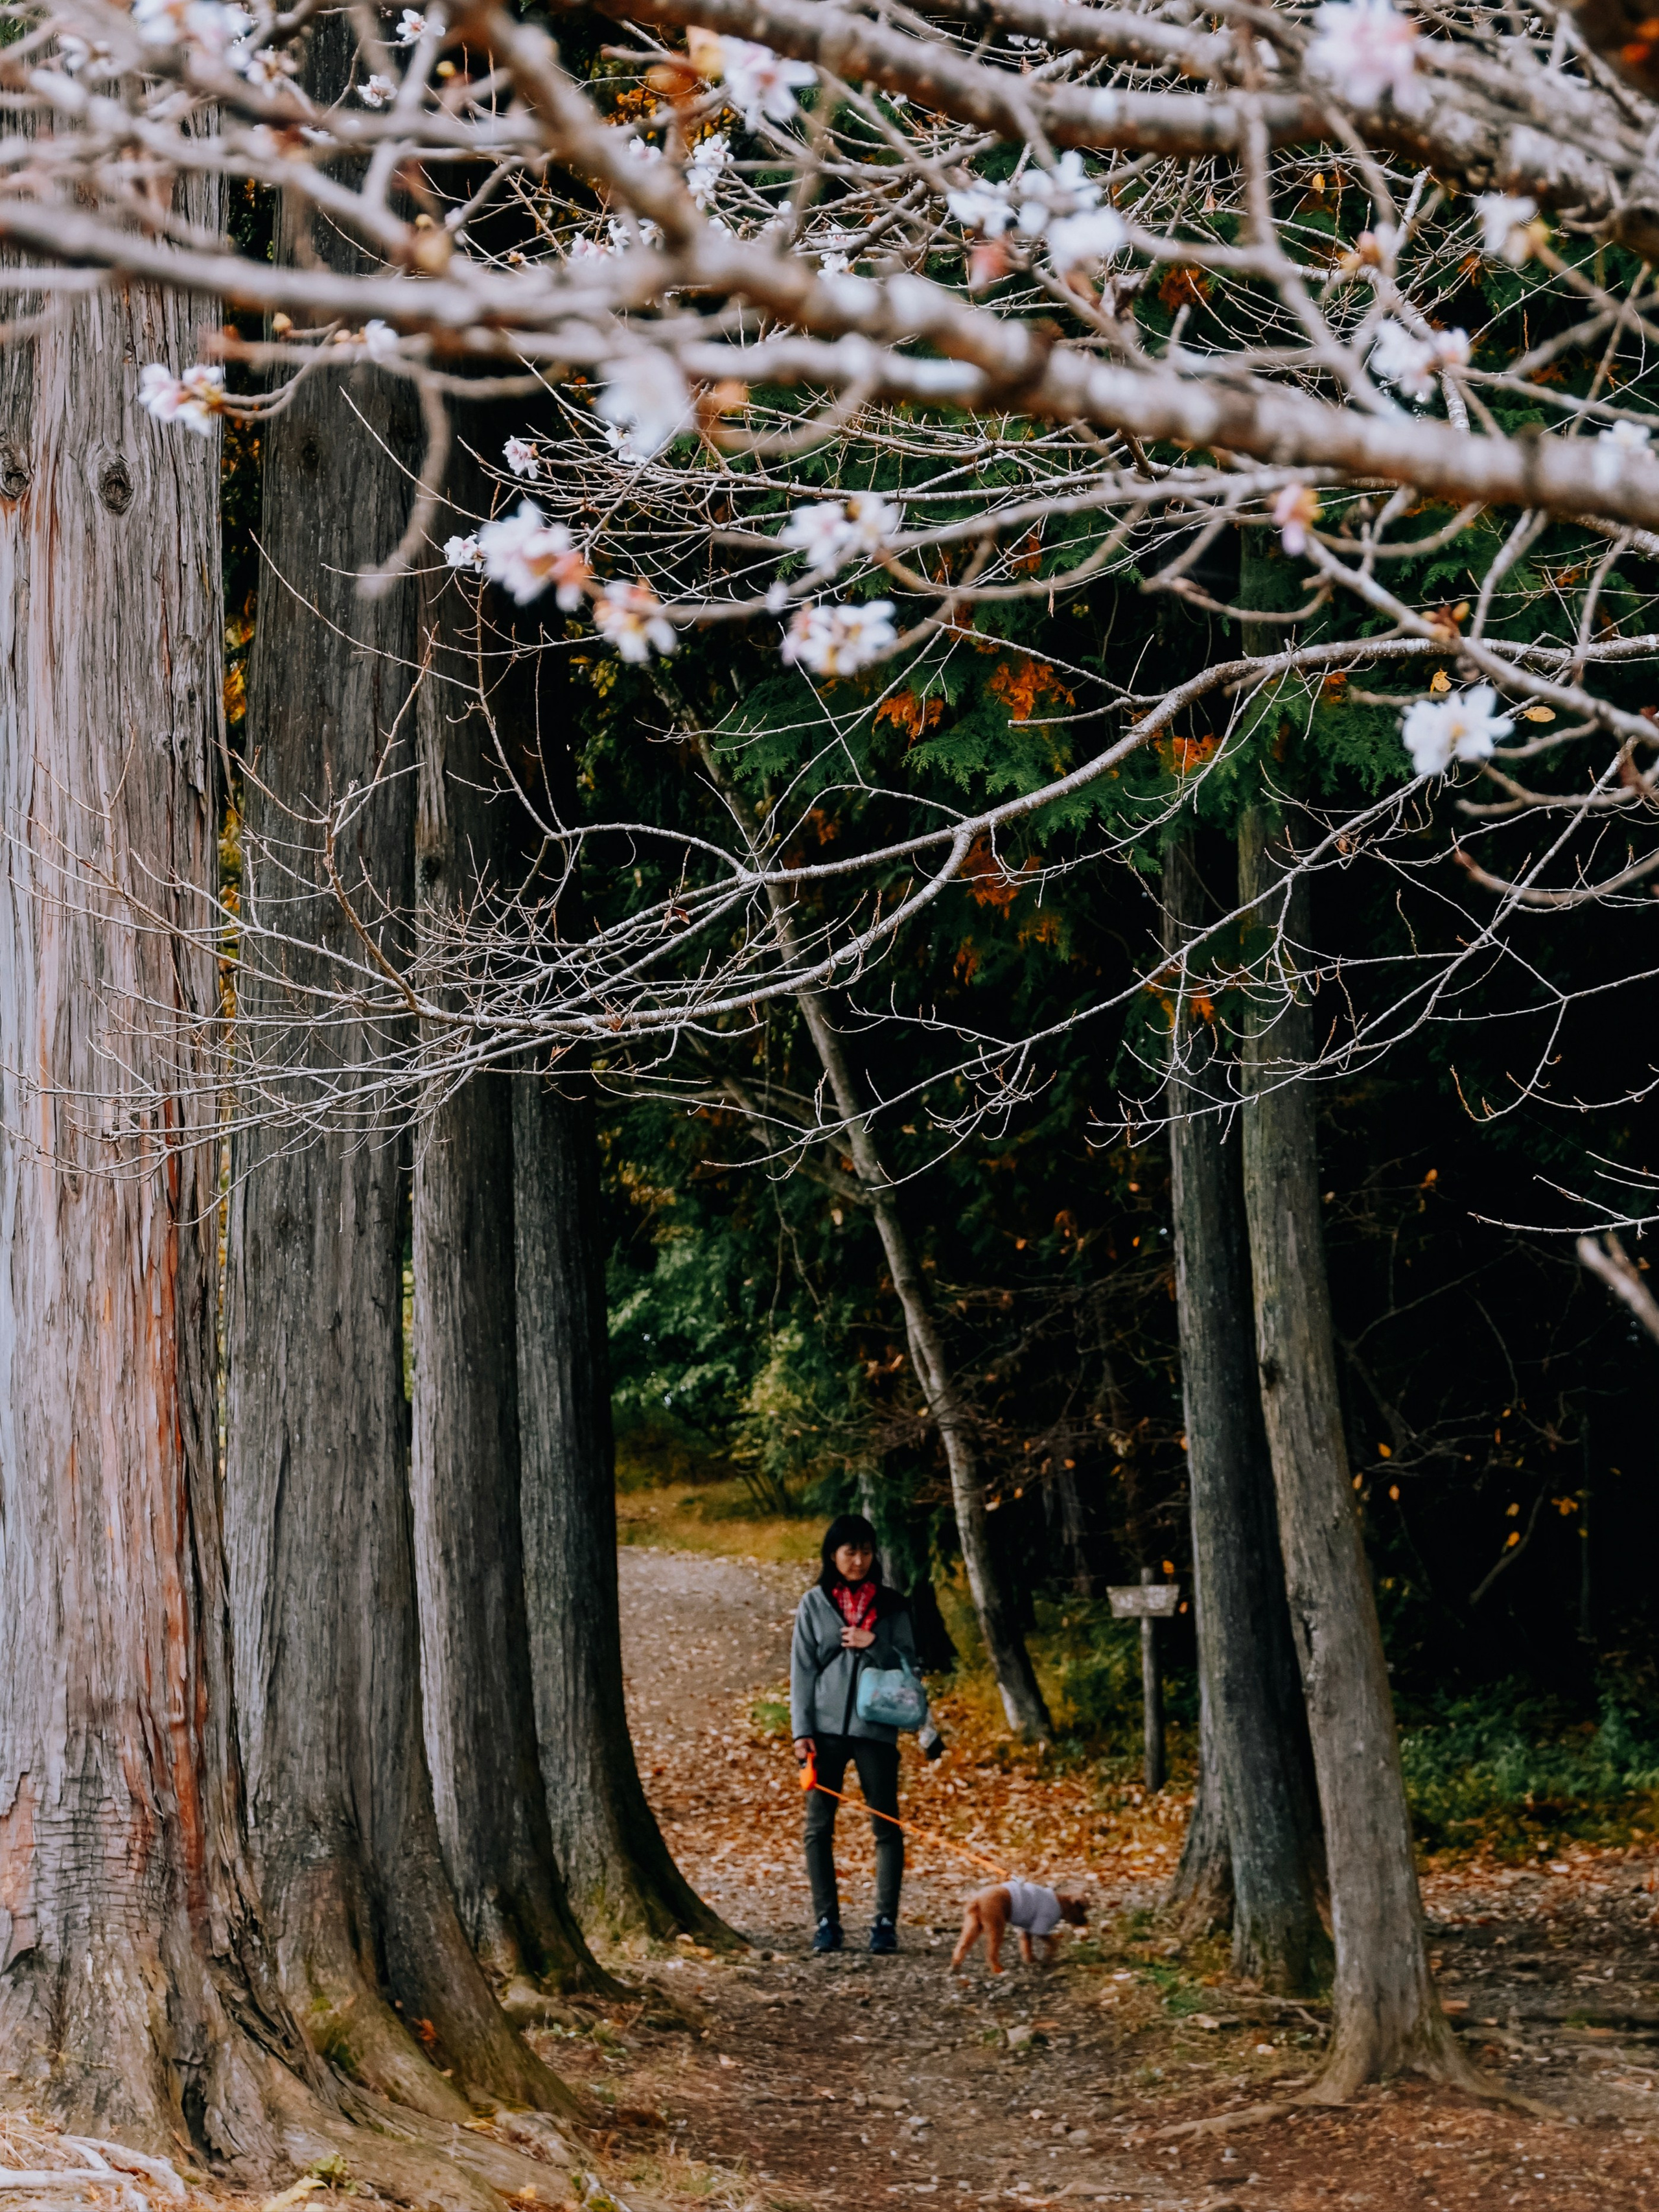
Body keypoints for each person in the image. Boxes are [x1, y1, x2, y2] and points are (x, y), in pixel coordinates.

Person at [791, 1512, 918, 1955]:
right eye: (851, 1551)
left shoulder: (893, 1603)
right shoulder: (814, 1603)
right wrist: (800, 1731)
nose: (860, 1560)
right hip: (823, 1731)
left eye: (866, 1550)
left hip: (876, 1725)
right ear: (833, 1554)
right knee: (818, 1826)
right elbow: (802, 1670)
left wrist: (874, 1643)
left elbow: (909, 1661)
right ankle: (826, 1921)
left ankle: (885, 1921)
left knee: (886, 1822)